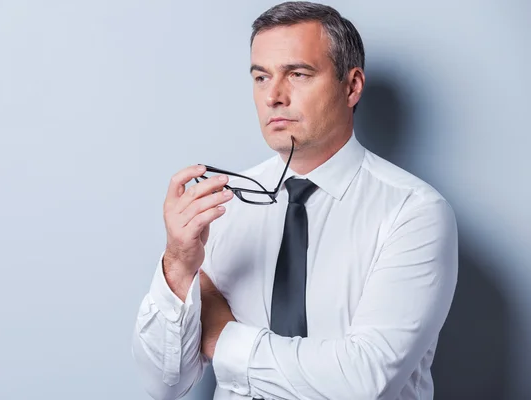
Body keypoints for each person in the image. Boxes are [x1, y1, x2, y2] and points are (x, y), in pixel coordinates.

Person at [132, 1, 458, 399]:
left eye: (298, 74)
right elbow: (162, 386)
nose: (274, 96)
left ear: (352, 86)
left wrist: (222, 338)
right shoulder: (222, 205)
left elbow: (363, 383)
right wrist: (178, 267)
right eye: (261, 77)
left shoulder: (414, 213)